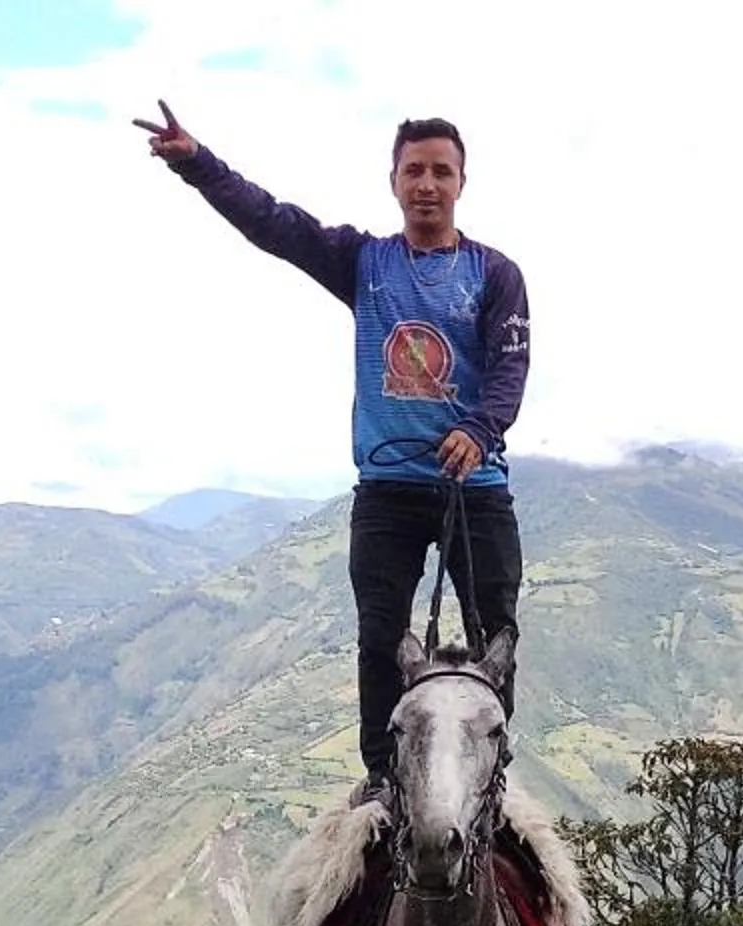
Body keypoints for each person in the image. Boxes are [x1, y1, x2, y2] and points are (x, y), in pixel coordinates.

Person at [133, 100, 530, 806]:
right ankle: (383, 775)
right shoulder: (364, 262)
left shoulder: (495, 273)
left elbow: (509, 366)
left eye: (442, 171)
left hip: (476, 488)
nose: (428, 184)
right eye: (415, 171)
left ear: (463, 183)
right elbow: (276, 224)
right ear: (394, 182)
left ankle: (489, 776)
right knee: (380, 638)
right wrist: (198, 163)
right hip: (387, 488)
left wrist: (480, 428)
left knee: (494, 634)